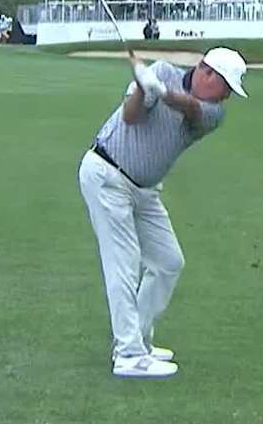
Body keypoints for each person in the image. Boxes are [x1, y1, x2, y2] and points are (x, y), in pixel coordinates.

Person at [79, 47, 249, 379]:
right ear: (205, 71)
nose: (226, 96)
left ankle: (139, 339)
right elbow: (130, 116)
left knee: (169, 262)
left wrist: (163, 92)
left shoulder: (214, 113)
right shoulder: (160, 71)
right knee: (124, 264)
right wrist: (143, 88)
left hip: (144, 190)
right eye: (225, 86)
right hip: (107, 175)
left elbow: (192, 108)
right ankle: (128, 354)